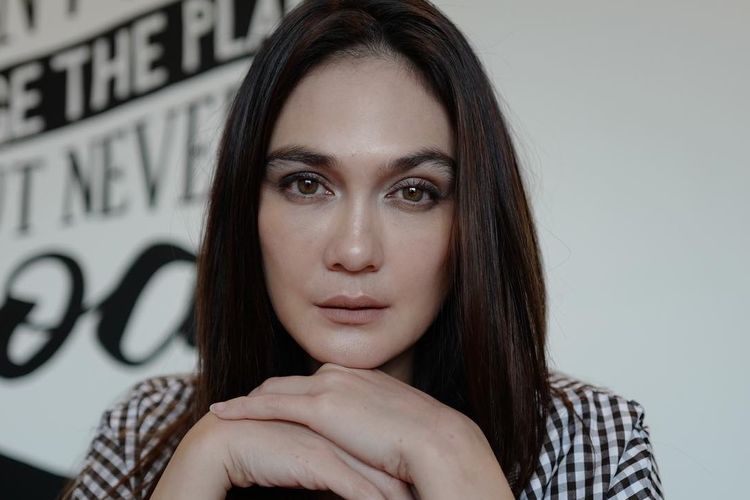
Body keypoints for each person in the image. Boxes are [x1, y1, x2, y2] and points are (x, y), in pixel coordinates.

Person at [59, 0, 663, 498]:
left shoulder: (593, 443)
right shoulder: (148, 430)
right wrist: (199, 467)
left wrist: (453, 458)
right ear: (247, 207)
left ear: (471, 220)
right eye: (306, 185)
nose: (353, 251)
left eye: (414, 192)